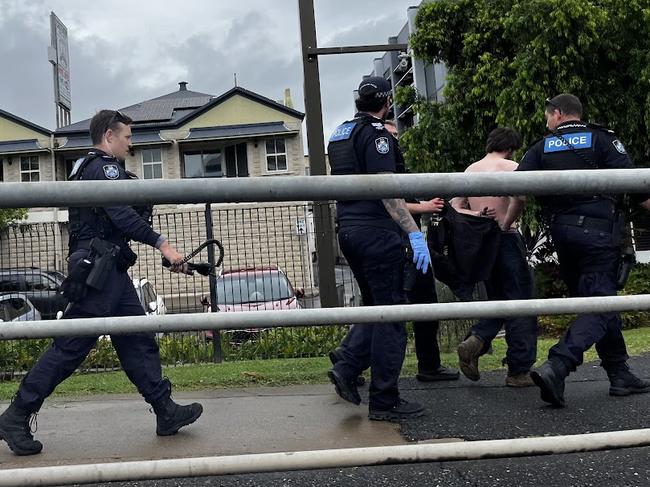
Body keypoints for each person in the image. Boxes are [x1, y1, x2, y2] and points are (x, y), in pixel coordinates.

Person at [0, 110, 203, 456]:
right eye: (127, 137)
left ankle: (164, 410)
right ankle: (17, 415)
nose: (131, 143)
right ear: (109, 136)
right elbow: (121, 215)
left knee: (137, 338)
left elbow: (118, 221)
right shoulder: (102, 168)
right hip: (100, 271)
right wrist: (163, 244)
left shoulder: (87, 168)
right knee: (70, 348)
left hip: (108, 269)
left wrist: (172, 259)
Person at [504, 94, 650, 406]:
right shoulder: (602, 139)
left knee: (598, 302)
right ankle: (559, 363)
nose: (547, 122)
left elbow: (517, 189)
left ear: (557, 114)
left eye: (547, 117)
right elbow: (637, 187)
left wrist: (506, 223)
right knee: (600, 304)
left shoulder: (541, 146)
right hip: (597, 235)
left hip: (562, 237)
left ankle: (619, 373)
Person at [326, 76, 431, 421]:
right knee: (392, 315)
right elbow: (388, 190)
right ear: (387, 102)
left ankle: (348, 363)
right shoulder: (378, 136)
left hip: (349, 230)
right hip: (376, 233)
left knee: (374, 306)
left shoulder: (340, 132)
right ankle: (385, 399)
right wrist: (414, 233)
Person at [330, 121, 459, 383]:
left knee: (392, 306)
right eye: (391, 135)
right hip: (397, 243)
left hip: (397, 241)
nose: (393, 140)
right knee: (393, 308)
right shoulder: (377, 163)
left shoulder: (392, 166)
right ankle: (350, 359)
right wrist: (424, 209)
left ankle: (351, 359)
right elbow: (390, 202)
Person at [452, 127, 538, 387]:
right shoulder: (512, 166)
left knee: (498, 300)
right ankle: (519, 370)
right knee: (521, 302)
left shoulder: (470, 170)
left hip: (482, 242)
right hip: (505, 236)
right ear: (511, 147)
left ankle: (476, 340)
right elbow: (519, 198)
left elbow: (455, 205)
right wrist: (506, 222)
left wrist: (477, 217)